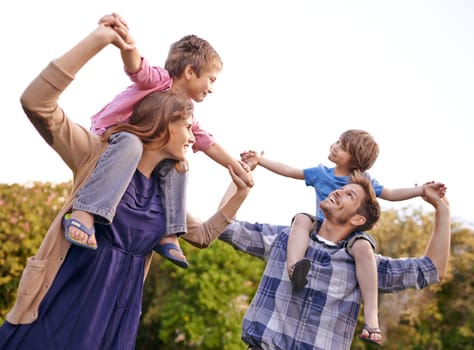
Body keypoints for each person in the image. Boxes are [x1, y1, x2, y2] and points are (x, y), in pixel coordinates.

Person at [0, 19, 253, 350]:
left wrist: (241, 191)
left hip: (115, 319)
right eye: (188, 127)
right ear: (164, 124)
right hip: (58, 306)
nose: (194, 137)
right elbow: (37, 103)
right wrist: (99, 40)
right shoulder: (97, 157)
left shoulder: (166, 190)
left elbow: (203, 236)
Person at [64, 13, 253, 269]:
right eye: (211, 79)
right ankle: (85, 212)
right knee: (131, 142)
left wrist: (237, 167)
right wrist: (128, 44)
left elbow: (206, 141)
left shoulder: (184, 111)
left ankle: (169, 233)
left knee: (179, 163)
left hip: (141, 153)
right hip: (113, 139)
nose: (211, 87)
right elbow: (136, 68)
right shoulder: (161, 81)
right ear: (189, 72)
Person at [240, 129, 445, 345]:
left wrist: (422, 190)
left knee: (364, 249)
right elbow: (290, 170)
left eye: (343, 146)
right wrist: (260, 161)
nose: (335, 146)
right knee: (300, 219)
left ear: (355, 159)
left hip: (348, 240)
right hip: (319, 227)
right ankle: (294, 267)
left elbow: (392, 194)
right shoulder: (321, 173)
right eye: (337, 141)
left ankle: (372, 320)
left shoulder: (363, 182)